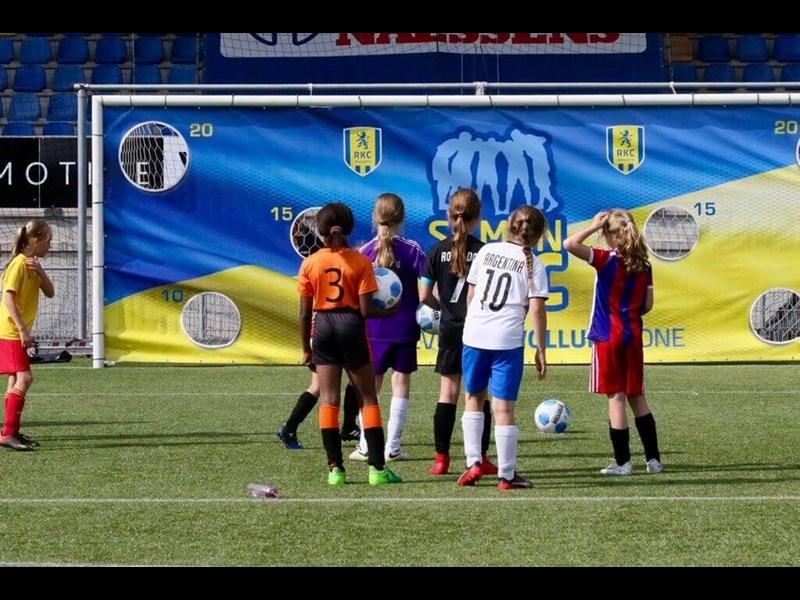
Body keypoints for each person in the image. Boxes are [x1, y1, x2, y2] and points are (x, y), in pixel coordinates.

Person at [297, 202, 401, 486]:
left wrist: (306, 349)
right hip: (351, 326)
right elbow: (366, 310)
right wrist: (392, 310)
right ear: (349, 228)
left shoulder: (310, 263)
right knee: (368, 398)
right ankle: (377, 469)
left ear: (320, 231)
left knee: (329, 400)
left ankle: (335, 470)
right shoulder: (360, 261)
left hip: (323, 328)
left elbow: (305, 313)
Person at [562, 209, 663, 475]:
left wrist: (593, 226)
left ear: (609, 234)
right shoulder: (645, 265)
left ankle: (622, 462)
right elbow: (648, 304)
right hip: (633, 336)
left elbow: (570, 244)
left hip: (608, 336)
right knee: (637, 396)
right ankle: (653, 460)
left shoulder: (606, 259)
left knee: (615, 397)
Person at [457, 205, 549, 490]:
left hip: (475, 335)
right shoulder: (535, 265)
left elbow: (471, 294)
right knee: (503, 408)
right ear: (538, 235)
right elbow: (537, 310)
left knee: (473, 397)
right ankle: (506, 476)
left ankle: (473, 462)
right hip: (506, 340)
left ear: (510, 226)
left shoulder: (486, 251)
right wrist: (541, 349)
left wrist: (475, 323)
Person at [419, 188, 497, 476]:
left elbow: (424, 295)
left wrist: (443, 308)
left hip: (450, 329)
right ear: (478, 217)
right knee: (478, 394)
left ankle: (441, 459)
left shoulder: (436, 250)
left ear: (449, 215)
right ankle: (480, 457)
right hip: (478, 330)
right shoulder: (485, 251)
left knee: (447, 393)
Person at [349, 193, 426, 463]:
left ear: (375, 217)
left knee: (371, 387)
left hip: (372, 328)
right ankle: (392, 447)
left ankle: (365, 445)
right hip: (404, 326)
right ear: (402, 218)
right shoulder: (413, 250)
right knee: (401, 382)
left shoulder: (364, 253)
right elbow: (428, 289)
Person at [0, 218, 54, 452]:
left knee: (15, 379)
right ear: (35, 240)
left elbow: (50, 292)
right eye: (48, 241)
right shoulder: (19, 264)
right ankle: (8, 433)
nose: (50, 246)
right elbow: (7, 297)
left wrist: (41, 271)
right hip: (11, 331)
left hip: (14, 331)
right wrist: (22, 330)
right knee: (25, 378)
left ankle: (9, 431)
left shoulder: (32, 265)